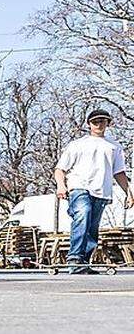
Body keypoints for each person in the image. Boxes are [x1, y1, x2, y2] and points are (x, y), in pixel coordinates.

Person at [54, 106, 133, 274]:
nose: (99, 124)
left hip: (102, 190)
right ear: (89, 124)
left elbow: (119, 172)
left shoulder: (114, 147)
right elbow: (60, 168)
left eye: (102, 121)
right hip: (79, 186)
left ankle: (83, 261)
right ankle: (74, 258)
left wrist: (129, 192)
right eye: (95, 122)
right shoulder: (78, 144)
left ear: (108, 123)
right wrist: (61, 186)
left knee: (92, 226)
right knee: (83, 214)